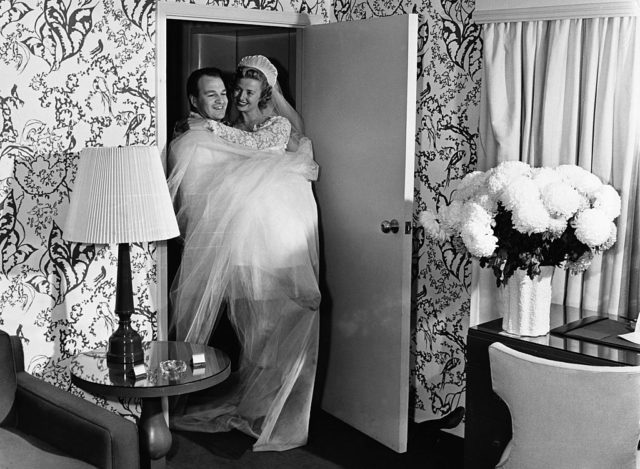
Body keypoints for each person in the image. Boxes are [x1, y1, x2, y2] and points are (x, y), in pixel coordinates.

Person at [167, 57, 320, 452]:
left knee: (276, 320)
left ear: (265, 93)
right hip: (244, 239)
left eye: (247, 91)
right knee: (254, 324)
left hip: (274, 233)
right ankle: (255, 403)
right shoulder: (231, 129)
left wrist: (209, 127)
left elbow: (253, 146)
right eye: (237, 90)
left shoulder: (275, 126)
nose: (238, 96)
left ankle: (274, 408)